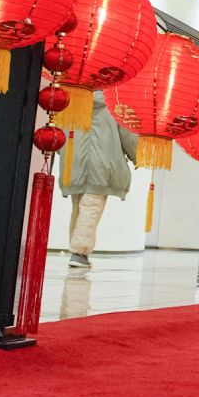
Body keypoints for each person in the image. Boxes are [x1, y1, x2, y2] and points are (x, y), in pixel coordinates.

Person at [60, 90, 140, 269]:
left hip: (74, 161)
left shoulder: (73, 98)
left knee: (78, 207)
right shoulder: (115, 101)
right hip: (103, 163)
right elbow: (127, 133)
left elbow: (61, 129)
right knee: (91, 208)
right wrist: (136, 156)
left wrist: (63, 153)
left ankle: (77, 251)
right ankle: (79, 253)